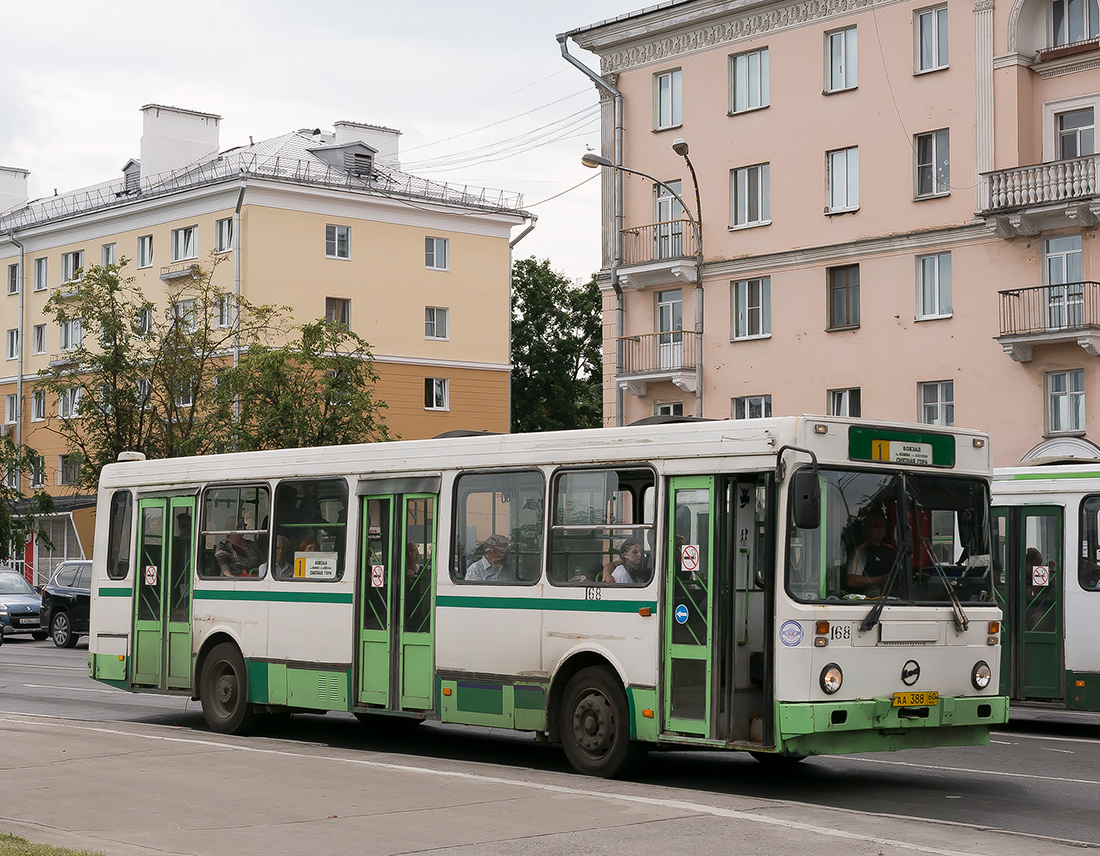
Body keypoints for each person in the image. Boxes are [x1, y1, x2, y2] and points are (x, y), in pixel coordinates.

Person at [846, 512, 895, 593]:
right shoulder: (861, 550)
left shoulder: (891, 550)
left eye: (882, 525)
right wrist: (881, 580)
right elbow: (852, 579)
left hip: (895, 598)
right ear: (865, 529)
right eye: (875, 525)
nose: (880, 528)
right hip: (870, 600)